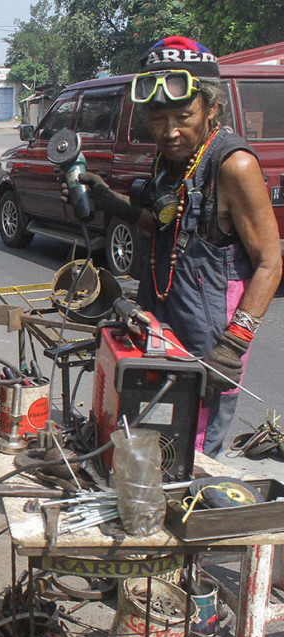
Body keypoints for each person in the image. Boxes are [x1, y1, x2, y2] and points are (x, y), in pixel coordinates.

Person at [75, 36, 282, 455]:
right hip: (162, 318)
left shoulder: (233, 164)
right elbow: (167, 230)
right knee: (149, 439)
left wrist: (233, 346)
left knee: (193, 453)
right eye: (158, 117)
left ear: (212, 109)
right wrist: (113, 203)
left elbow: (270, 262)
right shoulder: (168, 159)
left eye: (184, 115)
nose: (169, 130)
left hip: (211, 339)